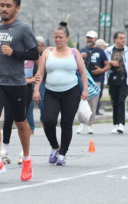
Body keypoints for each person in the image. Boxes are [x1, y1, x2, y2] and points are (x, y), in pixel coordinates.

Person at [0, 0, 38, 181]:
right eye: (1, 5)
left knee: (20, 122)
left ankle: (26, 160)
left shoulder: (23, 28)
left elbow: (34, 54)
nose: (4, 9)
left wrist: (14, 53)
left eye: (8, 5)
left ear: (17, 8)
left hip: (16, 82)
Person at [33, 21, 88, 166]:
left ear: (67, 38)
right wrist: (37, 89)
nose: (57, 40)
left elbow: (83, 73)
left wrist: (85, 90)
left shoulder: (74, 53)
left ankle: (62, 153)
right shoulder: (47, 52)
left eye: (61, 37)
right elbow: (40, 73)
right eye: (55, 37)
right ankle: (55, 147)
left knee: (66, 123)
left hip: (71, 92)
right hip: (51, 92)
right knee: (48, 120)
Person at [0, 60, 35, 164]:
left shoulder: (31, 51)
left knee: (23, 119)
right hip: (10, 85)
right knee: (8, 118)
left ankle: (23, 152)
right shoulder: (12, 50)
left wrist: (32, 79)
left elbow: (40, 64)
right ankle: (4, 149)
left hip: (25, 88)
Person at [77, 31, 110, 134]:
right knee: (82, 102)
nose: (89, 40)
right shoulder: (82, 50)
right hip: (83, 79)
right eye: (88, 38)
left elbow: (107, 65)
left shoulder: (100, 51)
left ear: (95, 39)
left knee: (93, 103)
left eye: (91, 38)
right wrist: (80, 56)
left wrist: (101, 70)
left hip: (95, 80)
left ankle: (90, 125)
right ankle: (82, 123)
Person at [105, 31, 128, 134]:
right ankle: (115, 124)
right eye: (120, 38)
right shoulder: (108, 51)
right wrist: (111, 62)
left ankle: (121, 124)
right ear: (115, 40)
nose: (123, 40)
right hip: (112, 80)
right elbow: (104, 63)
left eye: (124, 38)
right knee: (114, 102)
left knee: (121, 101)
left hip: (124, 81)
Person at [26, 36, 46, 129]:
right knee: (29, 106)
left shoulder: (45, 55)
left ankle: (43, 120)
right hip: (30, 81)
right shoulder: (29, 54)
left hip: (41, 82)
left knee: (42, 104)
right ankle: (31, 127)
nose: (38, 47)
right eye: (36, 45)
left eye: (40, 46)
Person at [95, 38, 110, 115]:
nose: (105, 47)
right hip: (99, 76)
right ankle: (95, 109)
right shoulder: (99, 54)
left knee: (99, 93)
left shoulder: (102, 53)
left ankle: (96, 109)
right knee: (97, 93)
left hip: (101, 76)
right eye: (104, 46)